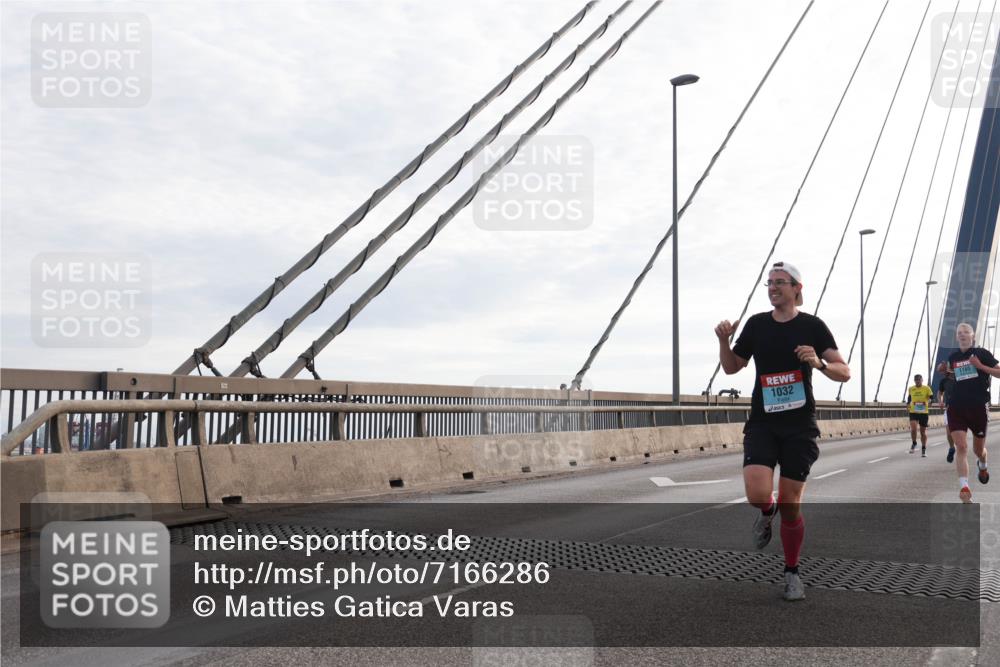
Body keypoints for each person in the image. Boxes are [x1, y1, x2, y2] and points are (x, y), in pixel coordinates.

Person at [715, 261, 850, 601]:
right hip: (763, 421)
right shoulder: (758, 324)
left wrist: (818, 363)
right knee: (758, 494)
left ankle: (792, 572)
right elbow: (733, 368)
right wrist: (724, 341)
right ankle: (765, 512)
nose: (773, 287)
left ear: (796, 289)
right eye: (769, 282)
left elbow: (844, 371)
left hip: (799, 427)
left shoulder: (813, 326)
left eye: (780, 282)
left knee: (791, 506)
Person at [945, 322, 999, 503]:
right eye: (959, 332)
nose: (962, 334)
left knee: (978, 450)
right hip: (957, 407)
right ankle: (964, 488)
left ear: (973, 336)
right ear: (956, 337)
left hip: (978, 408)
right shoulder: (953, 356)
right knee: (961, 447)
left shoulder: (982, 353)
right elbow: (958, 377)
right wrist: (945, 372)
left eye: (966, 332)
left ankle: (982, 464)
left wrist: (981, 366)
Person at [906, 374, 933, 457]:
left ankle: (923, 449)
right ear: (915, 381)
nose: (918, 381)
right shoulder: (911, 388)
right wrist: (907, 404)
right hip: (913, 411)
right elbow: (909, 398)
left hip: (923, 412)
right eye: (916, 380)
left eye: (919, 380)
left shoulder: (926, 388)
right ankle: (914, 443)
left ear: (922, 380)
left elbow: (932, 397)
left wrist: (931, 401)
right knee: (913, 429)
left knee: (922, 432)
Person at [936, 362, 957, 463]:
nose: (942, 374)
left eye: (942, 371)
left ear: (947, 369)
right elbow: (939, 392)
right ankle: (952, 448)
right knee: (949, 433)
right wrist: (940, 401)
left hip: (963, 409)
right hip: (949, 409)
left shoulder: (960, 378)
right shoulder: (943, 381)